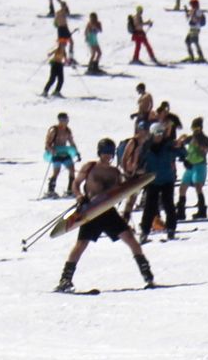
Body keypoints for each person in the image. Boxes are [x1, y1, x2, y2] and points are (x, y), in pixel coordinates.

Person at [56, 138, 155, 290]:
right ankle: (65, 280)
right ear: (99, 153)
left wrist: (134, 180)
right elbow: (76, 184)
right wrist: (79, 196)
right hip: (91, 210)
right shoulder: (89, 167)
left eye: (110, 153)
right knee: (81, 245)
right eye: (104, 153)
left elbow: (120, 189)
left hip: (108, 212)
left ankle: (147, 275)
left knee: (131, 240)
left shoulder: (115, 172)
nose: (107, 156)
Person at [180, 117, 208, 219]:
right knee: (183, 187)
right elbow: (182, 144)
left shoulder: (204, 139)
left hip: (200, 165)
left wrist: (200, 144)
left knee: (198, 186)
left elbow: (207, 149)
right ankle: (180, 210)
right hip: (190, 165)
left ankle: (202, 209)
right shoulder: (191, 138)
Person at [44, 113, 79, 196]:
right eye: (64, 120)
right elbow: (47, 143)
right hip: (56, 153)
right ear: (60, 120)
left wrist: (77, 152)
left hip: (65, 153)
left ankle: (70, 189)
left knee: (72, 169)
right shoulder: (54, 130)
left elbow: (71, 142)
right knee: (57, 171)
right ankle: (50, 190)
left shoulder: (67, 130)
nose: (66, 121)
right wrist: (51, 150)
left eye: (67, 119)